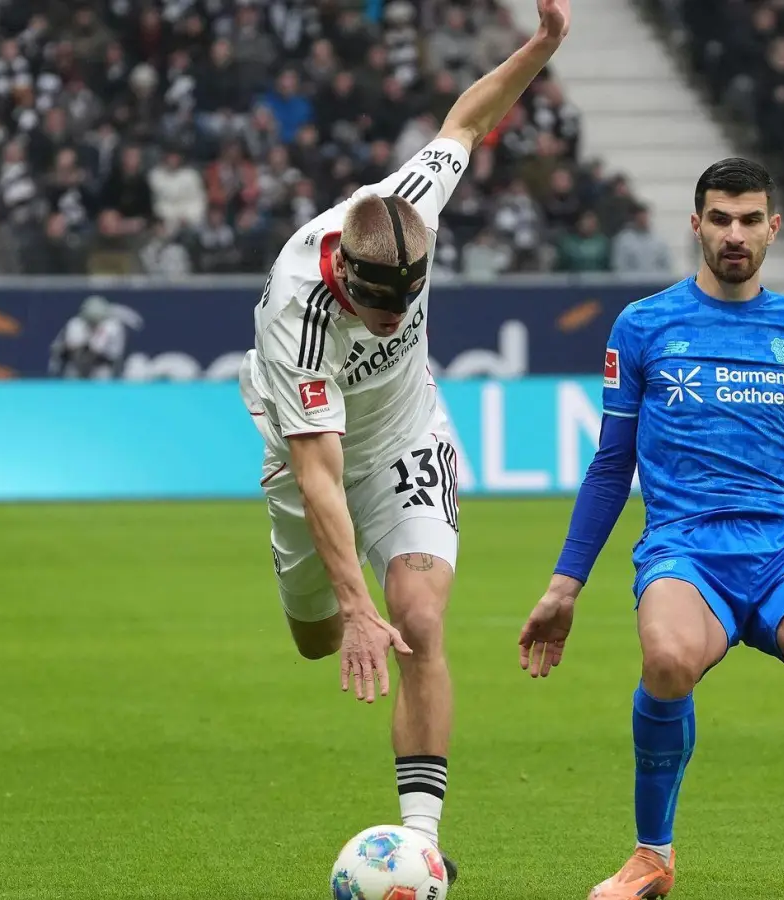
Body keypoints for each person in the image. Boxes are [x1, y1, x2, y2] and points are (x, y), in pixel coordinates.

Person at [518, 159, 784, 900]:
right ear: (697, 225)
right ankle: (651, 858)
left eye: (749, 220)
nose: (734, 234)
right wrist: (564, 585)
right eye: (720, 218)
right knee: (668, 658)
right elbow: (612, 466)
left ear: (774, 228)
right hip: (686, 547)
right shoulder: (644, 326)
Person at [235, 0, 572, 883]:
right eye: (377, 308)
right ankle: (331, 606)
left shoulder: (411, 204)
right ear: (343, 268)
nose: (392, 319)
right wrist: (351, 607)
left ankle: (420, 842)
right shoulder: (295, 314)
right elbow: (317, 474)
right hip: (309, 460)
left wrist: (539, 47)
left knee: (418, 620)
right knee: (318, 640)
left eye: (404, 305)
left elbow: (468, 117)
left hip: (408, 437)